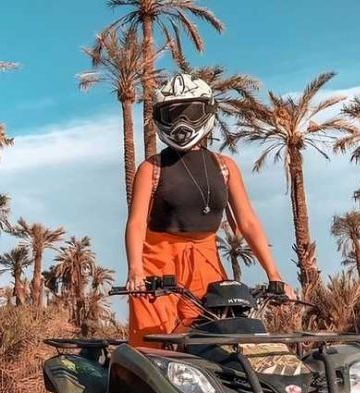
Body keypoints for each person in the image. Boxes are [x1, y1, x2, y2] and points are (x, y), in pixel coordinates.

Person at [124, 73, 294, 347]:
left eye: (191, 112)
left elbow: (248, 222)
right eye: (172, 114)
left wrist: (274, 275)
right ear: (159, 118)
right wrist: (135, 271)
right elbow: (136, 223)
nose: (182, 121)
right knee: (152, 343)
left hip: (206, 261)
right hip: (156, 263)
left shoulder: (225, 167)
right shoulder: (151, 169)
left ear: (207, 111)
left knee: (213, 340)